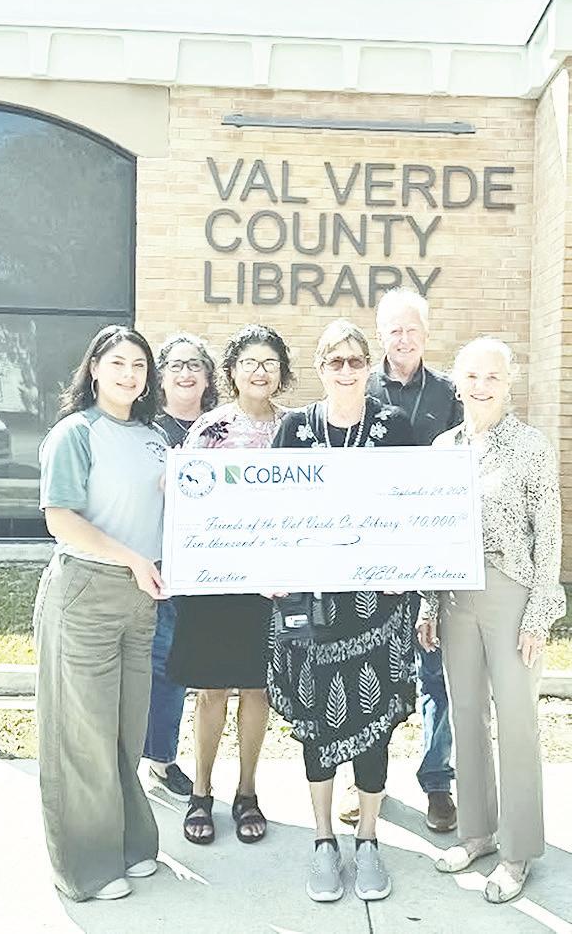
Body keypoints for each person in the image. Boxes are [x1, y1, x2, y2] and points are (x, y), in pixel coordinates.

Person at [268, 319, 416, 903]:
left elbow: (414, 507)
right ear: (320, 367)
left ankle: (370, 840)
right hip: (312, 603)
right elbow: (269, 508)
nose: (347, 371)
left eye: (356, 361)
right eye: (336, 361)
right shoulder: (295, 427)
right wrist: (268, 570)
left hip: (378, 605)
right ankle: (324, 840)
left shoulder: (394, 425)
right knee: (317, 722)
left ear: (368, 366)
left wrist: (411, 570)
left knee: (372, 724)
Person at [417, 337, 565, 903]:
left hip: (511, 594)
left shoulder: (531, 447)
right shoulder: (442, 448)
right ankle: (477, 832)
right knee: (466, 713)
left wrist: (538, 613)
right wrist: (429, 603)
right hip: (456, 596)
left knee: (517, 719)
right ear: (457, 382)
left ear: (510, 383)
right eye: (472, 376)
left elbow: (548, 536)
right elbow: (432, 533)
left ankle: (517, 851)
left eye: (493, 377)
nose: (481, 387)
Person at [33, 325, 168, 902]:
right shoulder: (75, 433)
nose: (128, 374)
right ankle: (86, 868)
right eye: (117, 363)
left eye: (138, 365)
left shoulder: (156, 437)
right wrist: (132, 559)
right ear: (94, 369)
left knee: (125, 728)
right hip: (87, 592)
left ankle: (129, 844)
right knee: (83, 734)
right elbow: (60, 518)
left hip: (142, 600)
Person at [167, 324, 293, 846]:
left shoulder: (295, 428)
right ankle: (201, 792)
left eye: (269, 362)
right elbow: (187, 500)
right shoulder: (210, 428)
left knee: (257, 687)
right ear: (233, 371)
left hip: (271, 584)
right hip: (215, 579)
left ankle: (247, 792)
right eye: (249, 362)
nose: (259, 371)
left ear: (281, 372)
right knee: (212, 689)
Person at [346, 286, 461, 834]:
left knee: (435, 672)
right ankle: (366, 782)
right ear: (380, 335)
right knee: (370, 668)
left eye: (412, 328)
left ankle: (437, 782)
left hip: (432, 549)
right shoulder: (359, 386)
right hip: (373, 552)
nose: (404, 338)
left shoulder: (450, 393)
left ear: (426, 334)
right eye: (394, 329)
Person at [143, 333, 218, 800]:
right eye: (176, 365)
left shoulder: (222, 429)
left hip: (212, 566)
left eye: (195, 365)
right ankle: (161, 758)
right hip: (161, 564)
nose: (186, 373)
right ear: (161, 376)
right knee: (164, 662)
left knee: (206, 670)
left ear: (209, 377)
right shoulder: (147, 429)